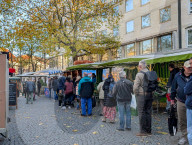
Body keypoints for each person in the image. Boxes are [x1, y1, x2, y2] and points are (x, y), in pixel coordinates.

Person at [171, 60, 192, 145]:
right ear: (184, 67)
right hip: (181, 101)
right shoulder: (178, 76)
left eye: (191, 67)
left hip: (191, 103)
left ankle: (190, 136)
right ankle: (184, 137)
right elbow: (173, 88)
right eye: (189, 67)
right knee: (182, 120)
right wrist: (172, 100)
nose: (190, 68)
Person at [133, 60, 153, 136]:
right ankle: (149, 130)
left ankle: (142, 131)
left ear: (140, 66)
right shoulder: (150, 73)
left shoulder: (139, 74)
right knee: (148, 112)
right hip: (150, 95)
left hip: (141, 95)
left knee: (141, 112)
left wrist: (136, 94)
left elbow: (135, 87)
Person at [184, 58, 192, 145]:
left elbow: (186, 90)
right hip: (183, 102)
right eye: (189, 65)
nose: (190, 66)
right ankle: (183, 137)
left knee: (190, 130)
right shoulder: (178, 76)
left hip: (190, 105)